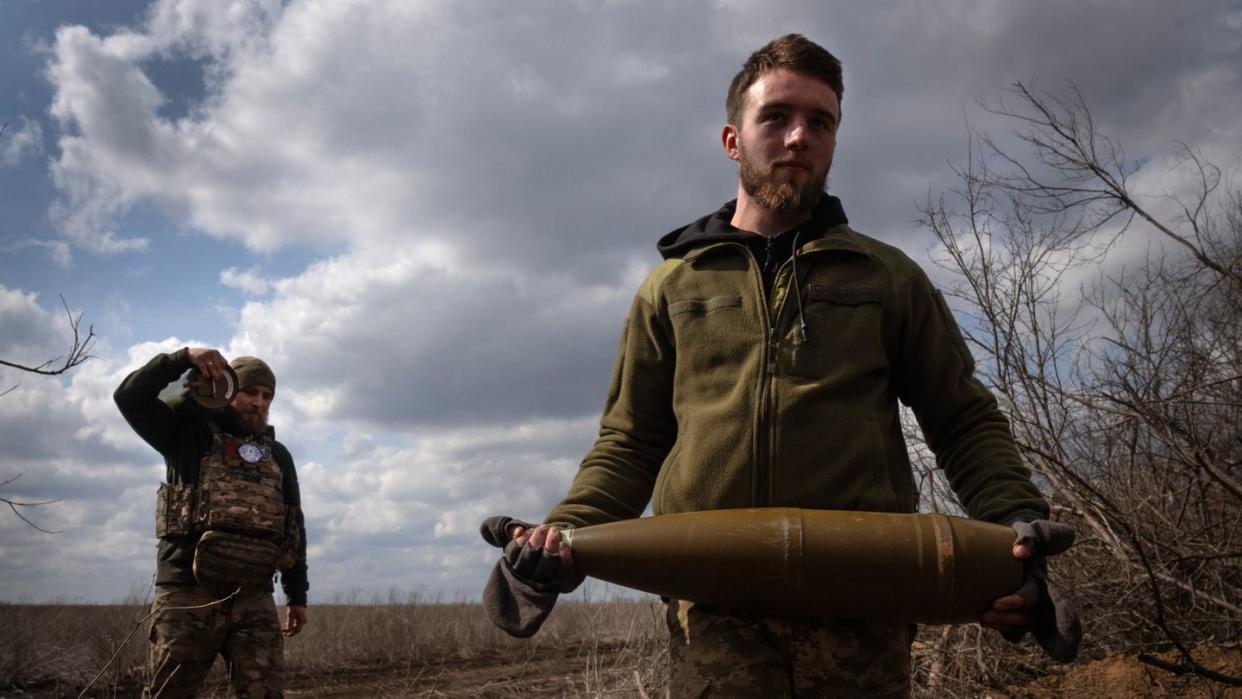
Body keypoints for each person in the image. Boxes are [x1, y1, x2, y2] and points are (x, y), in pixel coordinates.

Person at [505, 34, 1069, 696]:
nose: (799, 136)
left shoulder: (888, 278)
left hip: (861, 607)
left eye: (820, 122)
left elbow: (963, 419)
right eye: (776, 117)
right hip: (715, 612)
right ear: (732, 139)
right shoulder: (673, 288)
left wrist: (1015, 528)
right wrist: (563, 535)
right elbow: (630, 441)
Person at [115, 347, 308, 698]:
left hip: (254, 595)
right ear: (229, 390)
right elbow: (129, 396)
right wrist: (184, 358)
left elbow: (293, 525)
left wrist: (297, 594)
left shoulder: (277, 455)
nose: (259, 402)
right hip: (187, 594)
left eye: (267, 396)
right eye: (251, 392)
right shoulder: (187, 435)